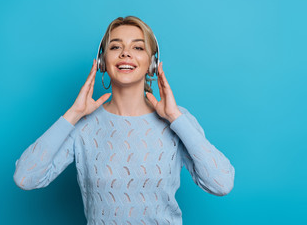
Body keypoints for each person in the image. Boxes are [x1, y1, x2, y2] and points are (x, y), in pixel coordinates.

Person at [13, 16, 235, 224]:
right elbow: (25, 178)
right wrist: (73, 114)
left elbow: (221, 184)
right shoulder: (83, 123)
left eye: (138, 47)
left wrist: (175, 117)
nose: (126, 53)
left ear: (152, 63)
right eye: (115, 46)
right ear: (102, 61)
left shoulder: (178, 119)